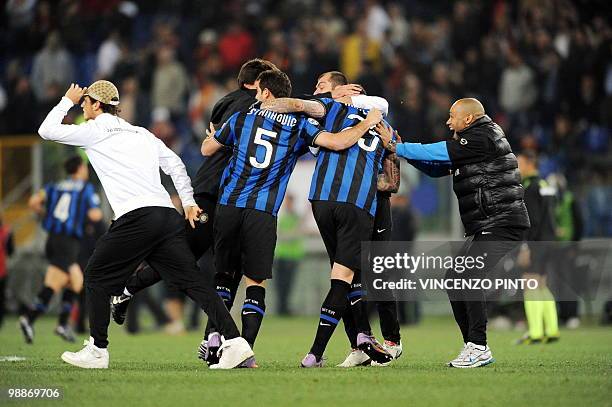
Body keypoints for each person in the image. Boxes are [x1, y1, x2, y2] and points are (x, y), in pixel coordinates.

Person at [37, 80, 253, 369]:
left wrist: (65, 100)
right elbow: (176, 164)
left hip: (136, 217)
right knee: (194, 282)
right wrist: (188, 202)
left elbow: (46, 130)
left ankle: (98, 350)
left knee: (95, 276)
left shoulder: (93, 131)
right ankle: (236, 343)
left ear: (97, 105)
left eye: (85, 102)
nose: (82, 106)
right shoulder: (141, 132)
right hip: (165, 216)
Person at [201, 69, 384, 366]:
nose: (256, 96)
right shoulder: (300, 127)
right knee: (255, 282)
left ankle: (213, 339)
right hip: (262, 210)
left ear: (267, 93)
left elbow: (207, 148)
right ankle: (246, 351)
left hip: (229, 203)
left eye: (259, 91)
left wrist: (220, 138)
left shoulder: (241, 118)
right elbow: (335, 143)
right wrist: (366, 122)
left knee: (223, 278)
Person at [109, 59, 278, 364]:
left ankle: (209, 336)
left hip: (211, 192)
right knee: (226, 269)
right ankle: (215, 338)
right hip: (219, 195)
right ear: (257, 85)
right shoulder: (251, 107)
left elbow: (215, 133)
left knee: (193, 260)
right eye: (269, 87)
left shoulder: (225, 103)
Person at [380, 97, 530, 368]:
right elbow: (439, 168)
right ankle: (472, 346)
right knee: (454, 278)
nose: (448, 121)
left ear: (469, 119)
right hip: (489, 223)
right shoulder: (473, 142)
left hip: (501, 221)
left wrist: (397, 147)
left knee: (467, 275)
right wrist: (403, 151)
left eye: (452, 116)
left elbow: (439, 152)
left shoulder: (483, 136)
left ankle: (479, 346)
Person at [260, 77, 396, 368]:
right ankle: (315, 353)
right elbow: (391, 182)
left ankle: (361, 337)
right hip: (356, 204)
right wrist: (369, 177)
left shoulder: (328, 108)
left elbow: (295, 104)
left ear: (347, 91)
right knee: (343, 278)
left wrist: (265, 104)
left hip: (320, 201)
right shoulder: (384, 125)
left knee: (348, 277)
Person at [20, 155, 102, 343]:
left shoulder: (54, 186)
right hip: (68, 241)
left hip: (53, 239)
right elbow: (96, 215)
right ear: (80, 169)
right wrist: (86, 217)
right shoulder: (85, 189)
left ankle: (59, 324)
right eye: (85, 168)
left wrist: (47, 214)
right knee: (57, 284)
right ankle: (30, 318)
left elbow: (33, 202)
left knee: (74, 281)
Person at [515, 150, 560, 344]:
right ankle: (551, 329)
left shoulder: (530, 187)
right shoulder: (545, 185)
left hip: (537, 242)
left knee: (530, 284)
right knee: (541, 285)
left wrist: (525, 246)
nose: (517, 167)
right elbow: (550, 215)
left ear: (529, 165)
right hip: (550, 241)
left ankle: (535, 332)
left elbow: (531, 220)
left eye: (519, 163)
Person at [0, 213, 15, 329]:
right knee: (1, 297)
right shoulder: (6, 232)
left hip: (2, 269)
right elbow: (11, 251)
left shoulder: (6, 232)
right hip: (2, 269)